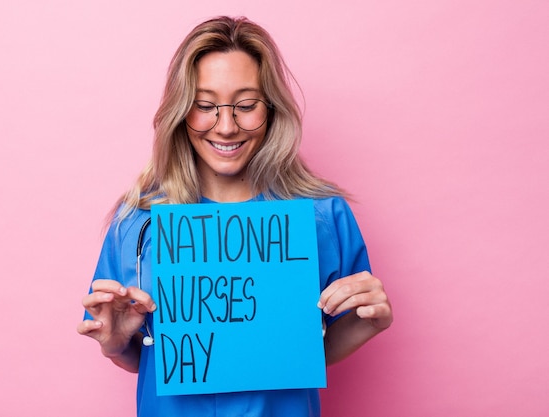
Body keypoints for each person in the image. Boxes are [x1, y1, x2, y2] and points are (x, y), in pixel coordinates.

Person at [77, 15, 392, 417]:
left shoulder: (320, 216)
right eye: (205, 106)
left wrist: (369, 321)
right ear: (180, 111)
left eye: (245, 106)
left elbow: (304, 354)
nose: (226, 127)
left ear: (271, 109)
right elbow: (150, 361)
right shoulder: (139, 220)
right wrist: (117, 343)